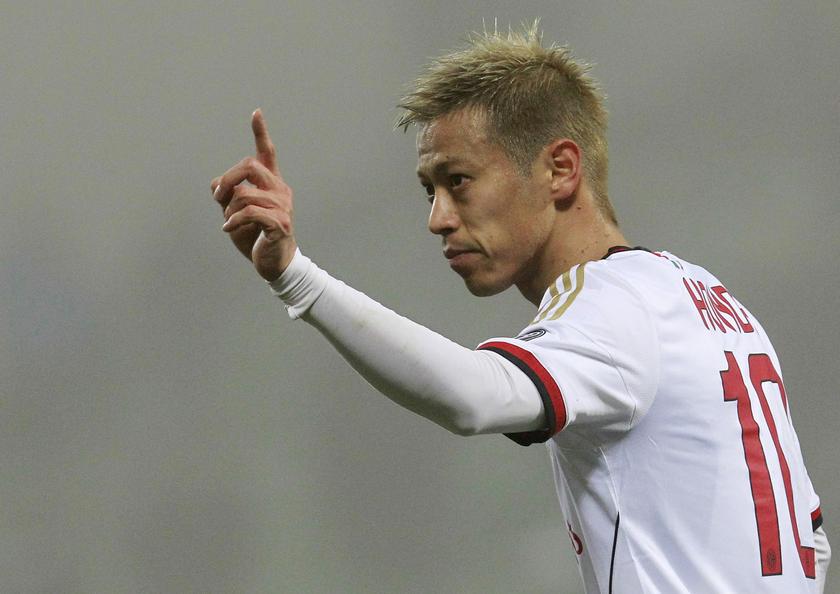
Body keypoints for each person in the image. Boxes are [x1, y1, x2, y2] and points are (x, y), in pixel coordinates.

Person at [210, 25, 830, 593]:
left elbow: (477, 397)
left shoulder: (609, 303)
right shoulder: (707, 298)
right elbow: (814, 541)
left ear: (560, 169)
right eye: (430, 190)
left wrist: (299, 280)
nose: (438, 219)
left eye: (459, 181)